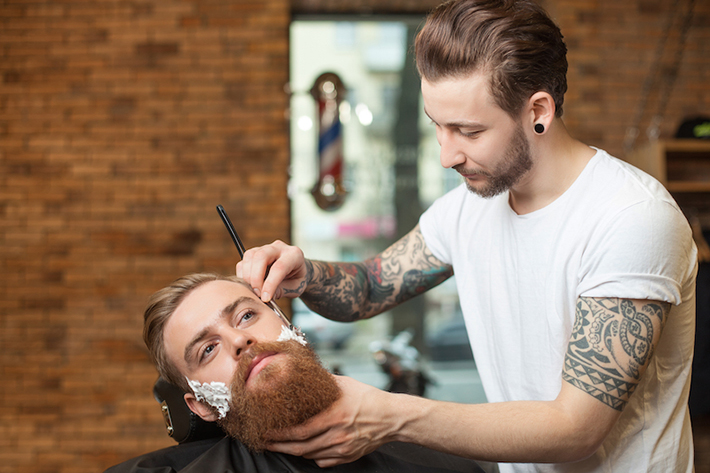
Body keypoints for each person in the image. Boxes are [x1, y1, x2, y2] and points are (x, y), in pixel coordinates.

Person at [236, 1, 698, 472]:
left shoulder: (630, 219)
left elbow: (574, 429)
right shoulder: (467, 207)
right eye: (436, 125)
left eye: (468, 131)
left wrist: (391, 416)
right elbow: (370, 287)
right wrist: (304, 273)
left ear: (538, 110)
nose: (446, 155)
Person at [104, 273, 487, 473]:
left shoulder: (442, 459)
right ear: (202, 406)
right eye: (208, 349)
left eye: (247, 315)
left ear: (291, 326)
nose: (238, 339)